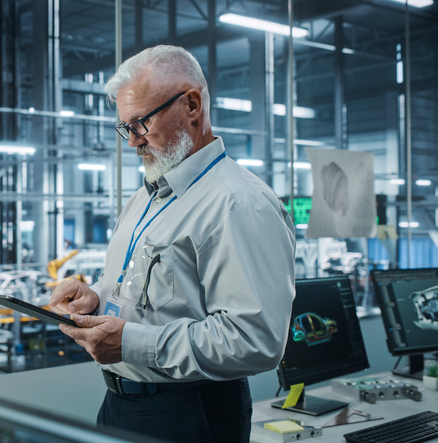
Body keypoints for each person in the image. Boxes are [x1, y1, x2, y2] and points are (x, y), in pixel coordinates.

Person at [49, 45, 296, 443]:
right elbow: (154, 291)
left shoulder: (238, 203)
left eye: (141, 124)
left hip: (190, 414)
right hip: (120, 405)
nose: (132, 142)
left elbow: (256, 341)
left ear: (192, 105)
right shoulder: (147, 194)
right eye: (125, 127)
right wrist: (95, 297)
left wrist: (130, 342)